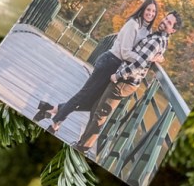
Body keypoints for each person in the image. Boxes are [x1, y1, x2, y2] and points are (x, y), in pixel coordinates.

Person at [33, 0, 157, 133]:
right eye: (148, 9)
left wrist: (154, 57)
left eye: (153, 11)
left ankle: (51, 109)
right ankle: (55, 124)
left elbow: (148, 49)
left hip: (117, 68)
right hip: (110, 61)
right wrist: (145, 60)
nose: (150, 13)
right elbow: (125, 52)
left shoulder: (148, 32)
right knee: (83, 95)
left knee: (92, 103)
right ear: (143, 9)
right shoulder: (133, 24)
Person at [73, 10, 182, 154]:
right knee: (97, 108)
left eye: (169, 22)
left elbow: (139, 63)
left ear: (173, 30)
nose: (164, 21)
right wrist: (160, 57)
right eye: (166, 18)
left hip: (125, 80)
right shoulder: (161, 38)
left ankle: (81, 149)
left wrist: (118, 76)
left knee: (100, 114)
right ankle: (82, 143)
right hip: (126, 79)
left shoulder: (157, 40)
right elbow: (150, 57)